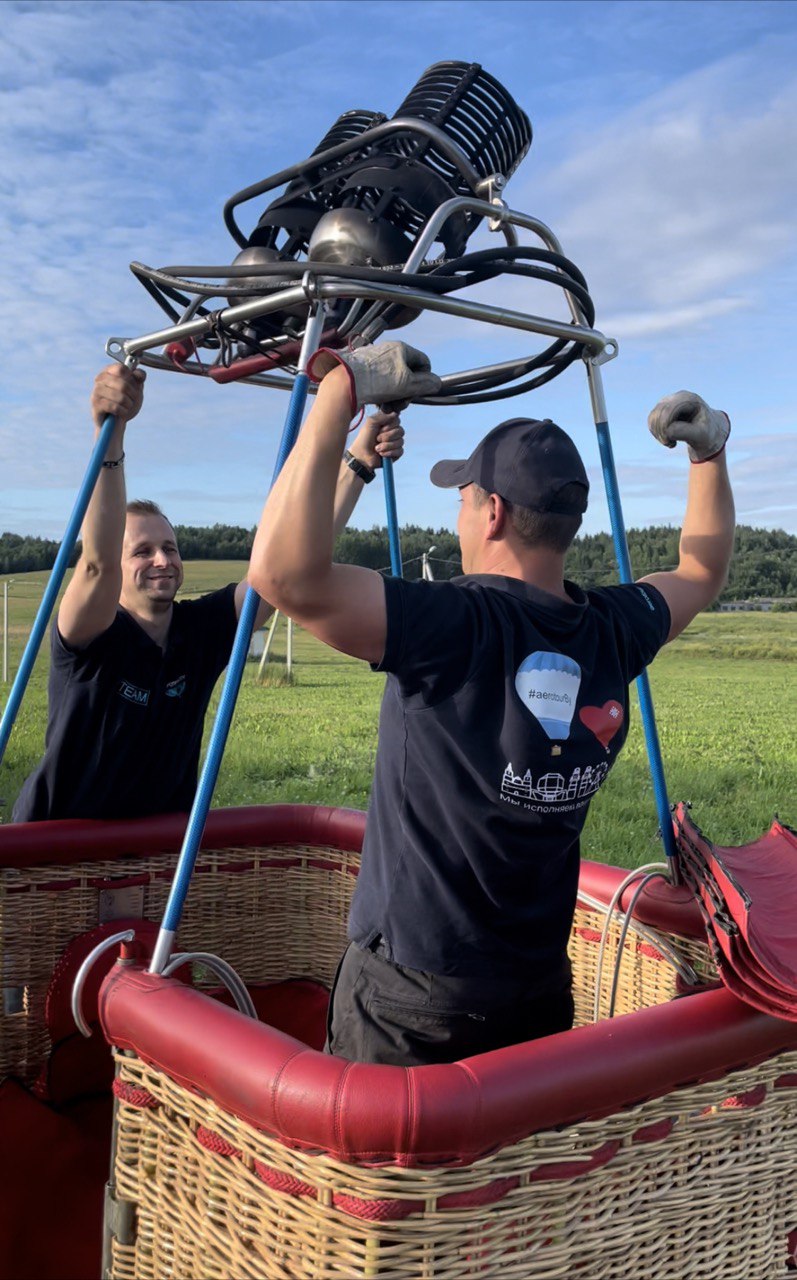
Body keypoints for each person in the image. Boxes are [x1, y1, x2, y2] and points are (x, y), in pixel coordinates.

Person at [248, 340, 735, 1067]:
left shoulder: (454, 623)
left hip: (414, 995)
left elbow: (281, 576)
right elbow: (701, 568)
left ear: (494, 513)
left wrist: (336, 397)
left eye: (461, 500)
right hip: (537, 988)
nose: (456, 518)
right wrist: (708, 456)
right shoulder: (611, 627)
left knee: (380, 1178)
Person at [12, 362, 403, 823]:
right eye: (142, 551)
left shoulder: (199, 630)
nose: (162, 560)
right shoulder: (90, 637)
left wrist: (357, 461)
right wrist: (111, 436)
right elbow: (95, 565)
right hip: (59, 846)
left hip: (159, 851)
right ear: (119, 566)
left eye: (170, 547)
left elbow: (290, 566)